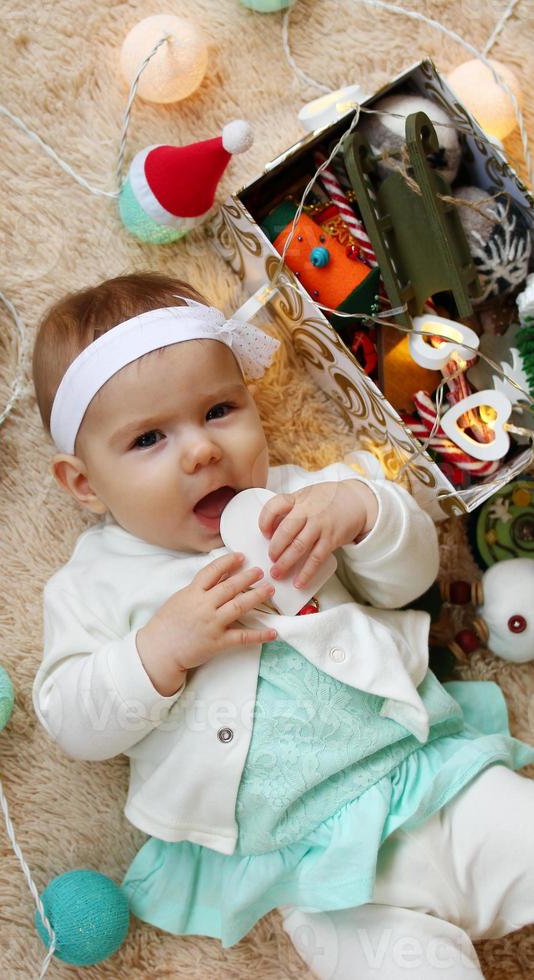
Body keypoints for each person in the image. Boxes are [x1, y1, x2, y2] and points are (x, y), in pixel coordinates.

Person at [30, 270, 534, 978]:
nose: (201, 451)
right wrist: (158, 652)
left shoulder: (300, 498)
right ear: (85, 484)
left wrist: (362, 511)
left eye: (218, 410)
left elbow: (407, 581)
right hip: (316, 875)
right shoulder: (93, 584)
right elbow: (71, 722)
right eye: (148, 439)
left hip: (432, 783)